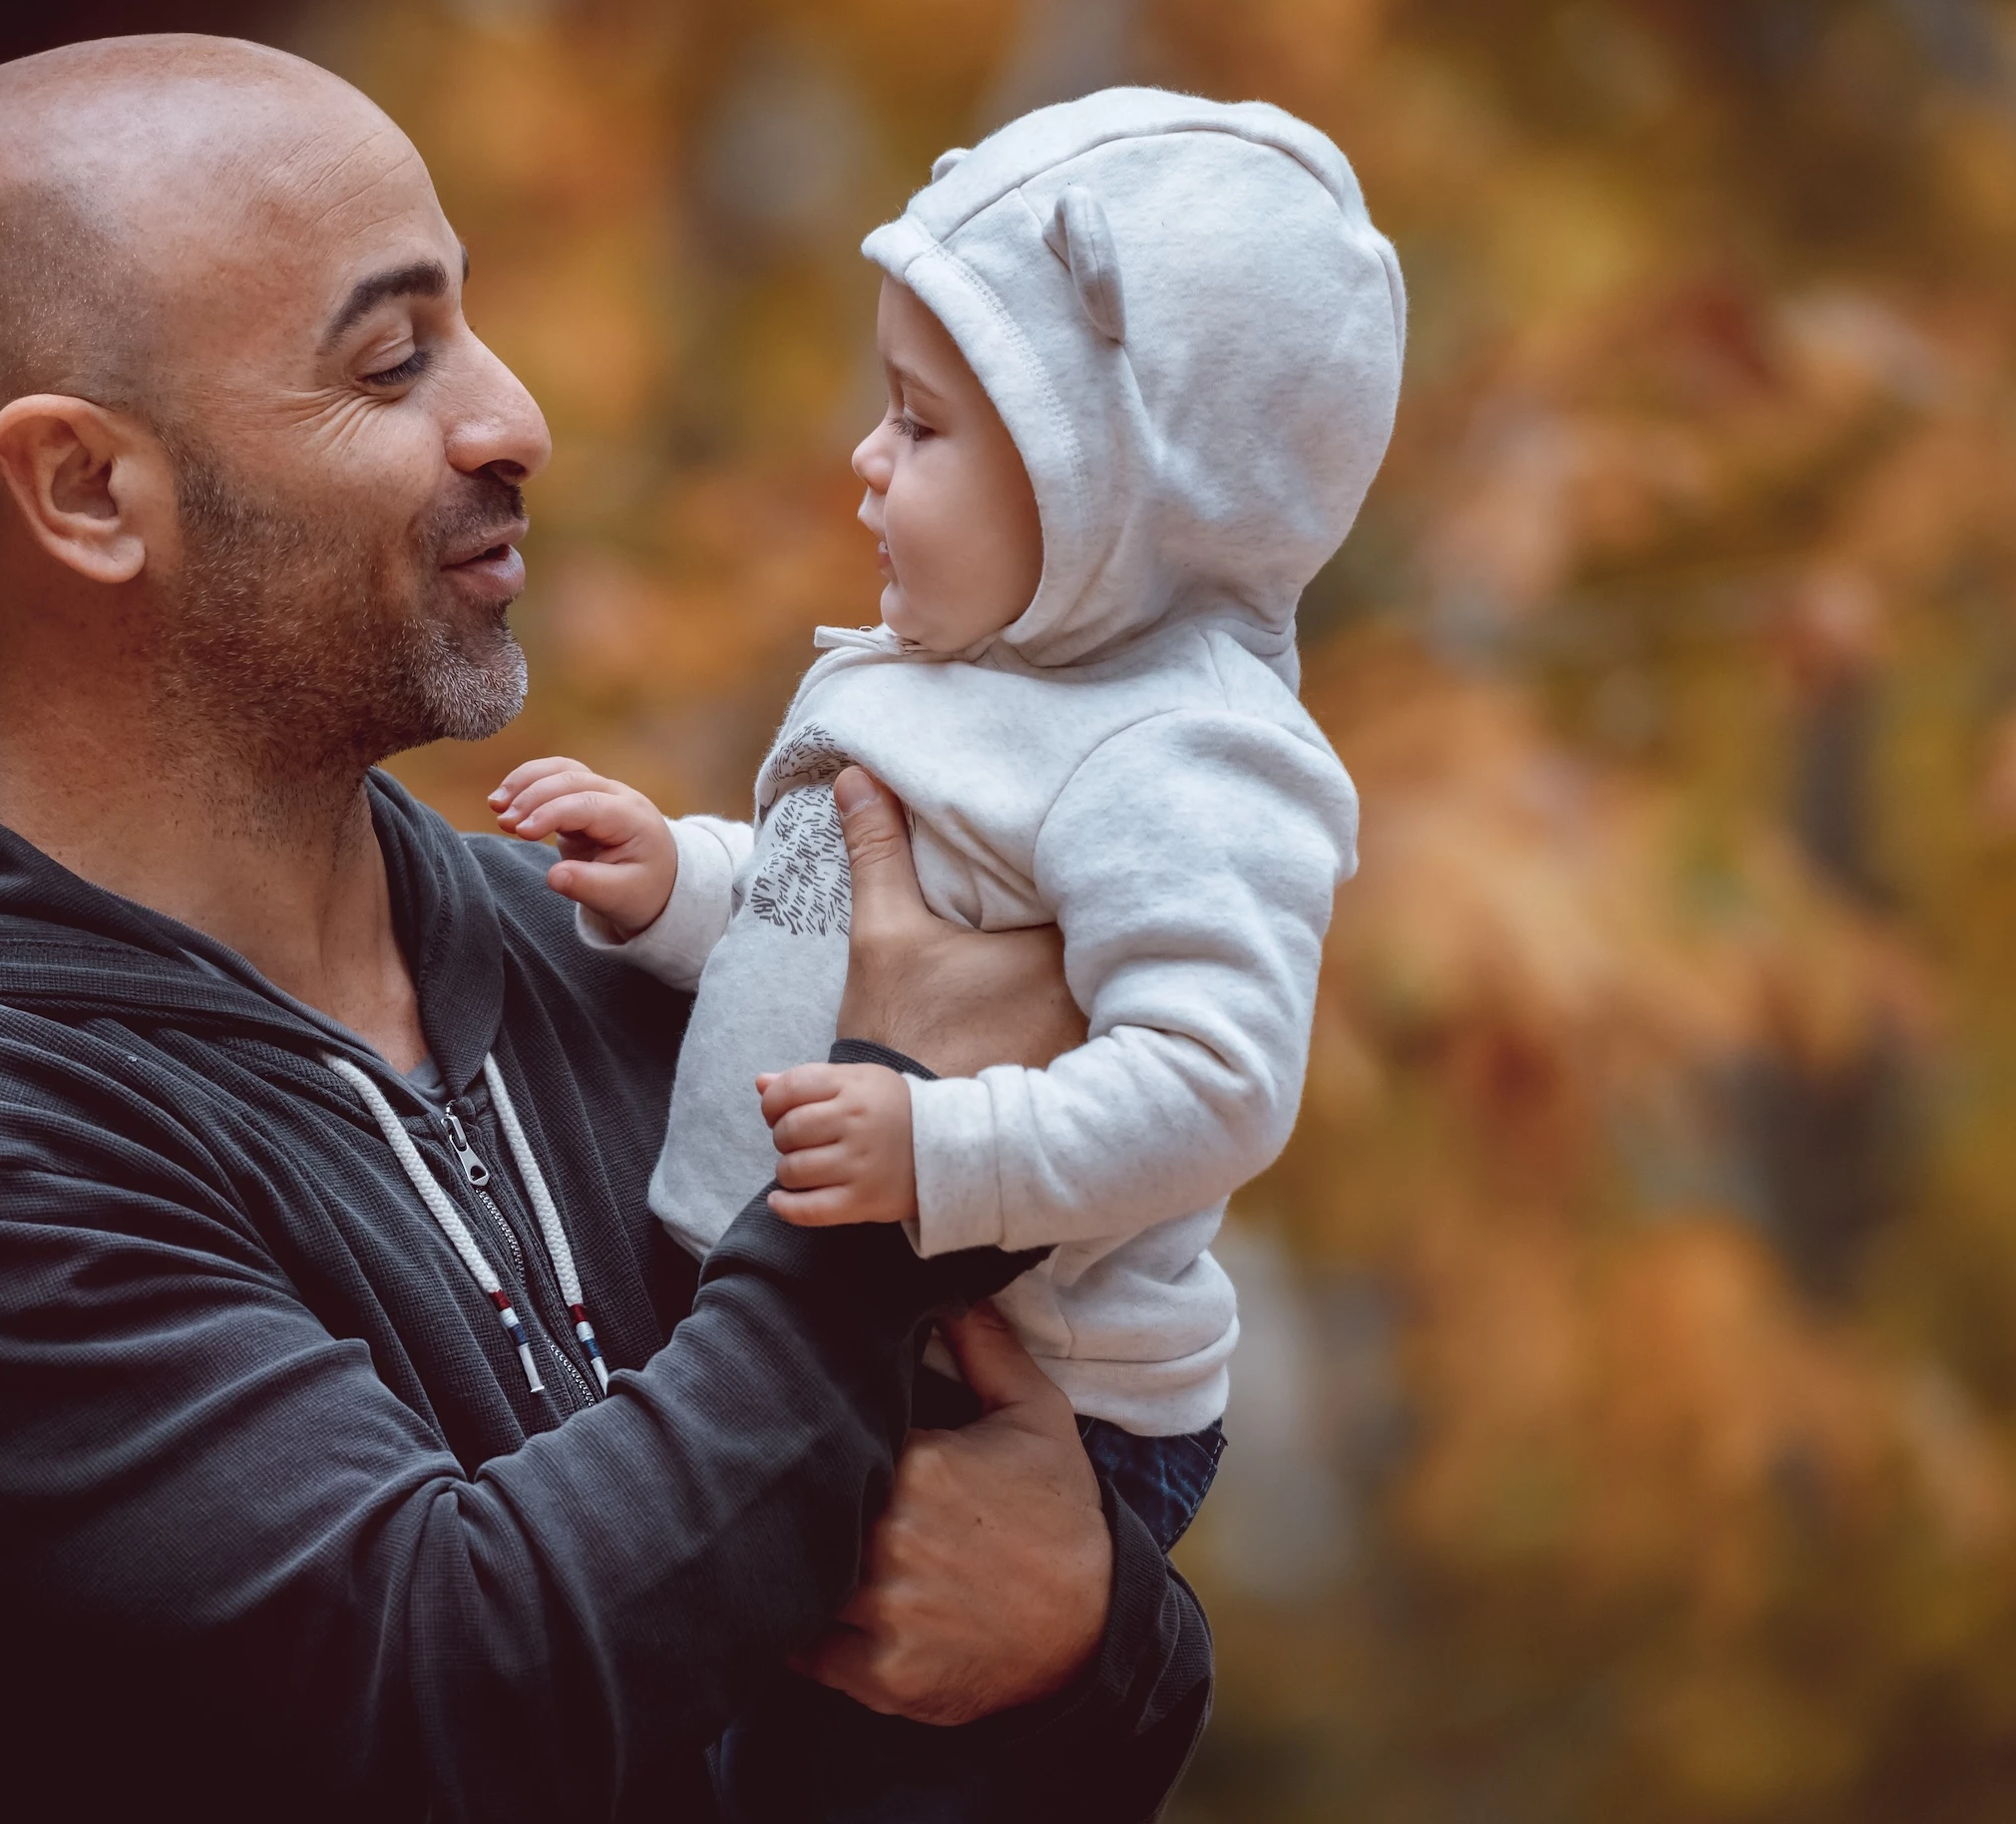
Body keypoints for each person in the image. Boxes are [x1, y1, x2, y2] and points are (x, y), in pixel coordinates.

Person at [0, 36, 1214, 1822]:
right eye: (393, 359)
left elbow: (951, 1627)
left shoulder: (604, 957)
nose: (511, 421)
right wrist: (884, 1179)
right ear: (89, 490)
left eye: (469, 327)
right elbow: (443, 1692)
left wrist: (1093, 1643)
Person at [490, 91, 1404, 1555]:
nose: (867, 454)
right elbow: (836, 917)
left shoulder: (1186, 756)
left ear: (1111, 487)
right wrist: (677, 880)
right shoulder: (957, 678)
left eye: (922, 423)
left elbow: (1216, 1082)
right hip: (785, 1324)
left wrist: (944, 1144)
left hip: (1016, 1396)